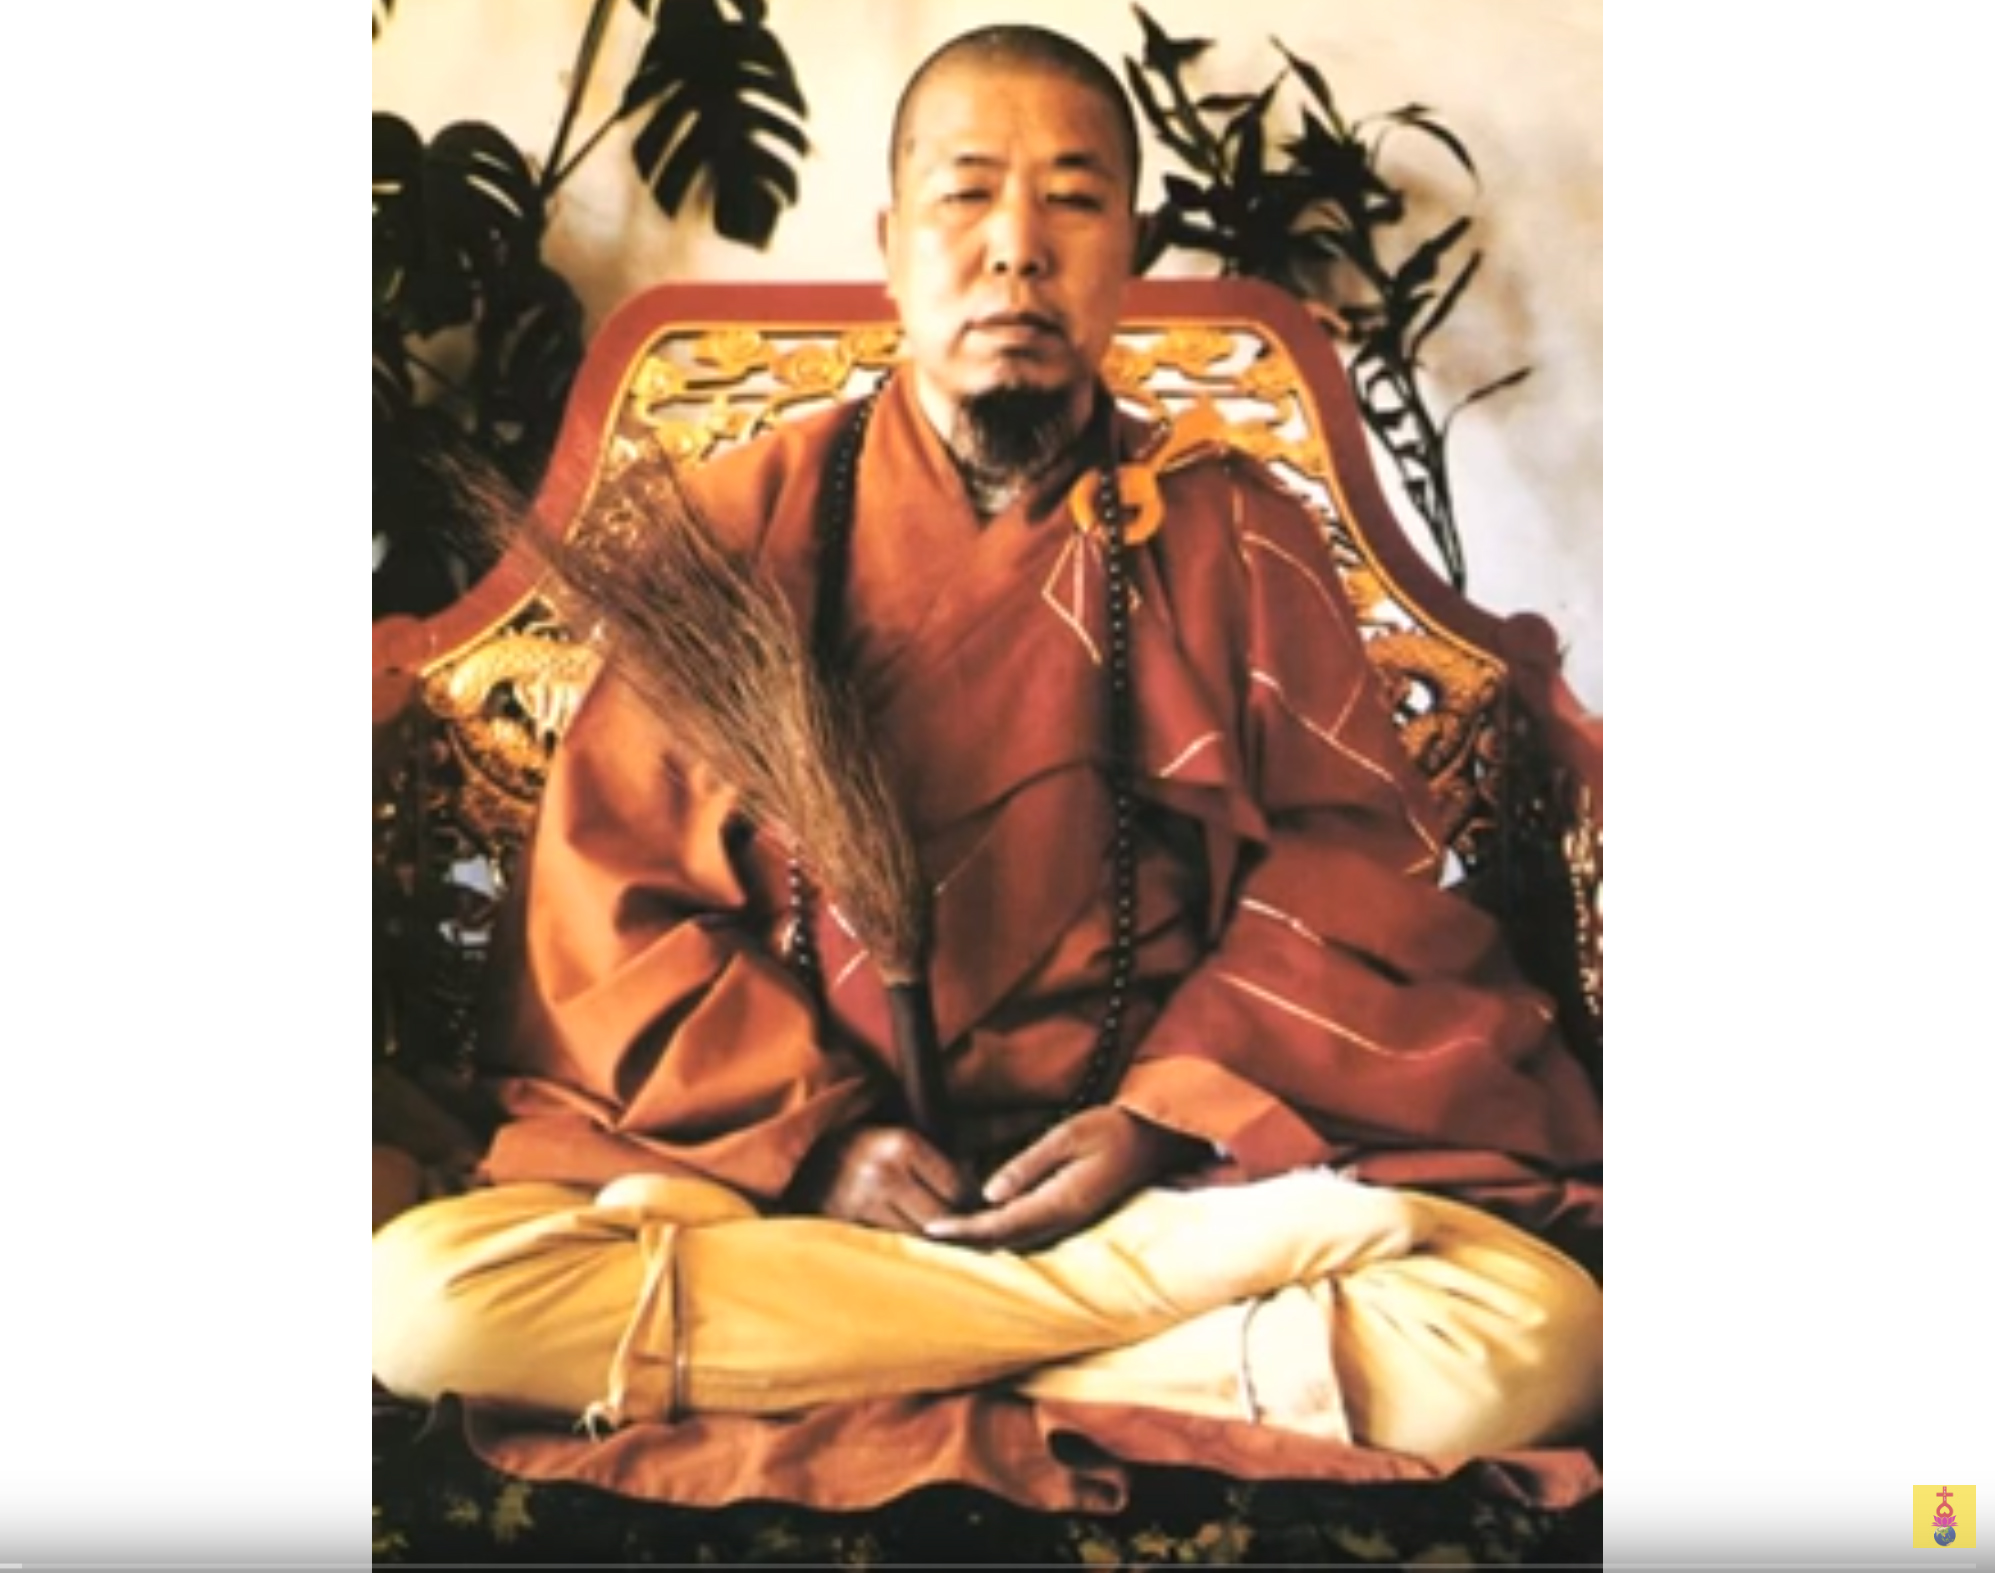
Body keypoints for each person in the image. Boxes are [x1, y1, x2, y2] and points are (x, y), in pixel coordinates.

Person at [372, 23, 1603, 1509]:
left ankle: (874, 1357)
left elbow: (1353, 885)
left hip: (1162, 1193)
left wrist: (1155, 1116)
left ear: (1130, 250)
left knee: (1536, 1336)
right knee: (426, 1303)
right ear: (891, 246)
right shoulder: (734, 534)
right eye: (966, 196)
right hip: (794, 1196)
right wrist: (824, 1144)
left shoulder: (1234, 532)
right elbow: (616, 916)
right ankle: (1113, 1363)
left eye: (1072, 201)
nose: (1017, 248)